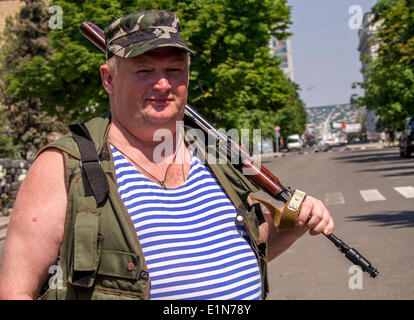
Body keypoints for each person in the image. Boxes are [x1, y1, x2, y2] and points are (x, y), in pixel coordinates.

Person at [0, 10, 334, 300]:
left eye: (174, 70)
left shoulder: (215, 156)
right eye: (144, 71)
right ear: (109, 79)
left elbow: (243, 248)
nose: (163, 84)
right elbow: (16, 290)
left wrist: (296, 220)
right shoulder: (63, 165)